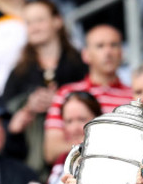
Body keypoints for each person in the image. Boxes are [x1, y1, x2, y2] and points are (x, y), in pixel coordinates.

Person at [2, 0, 87, 176]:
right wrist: (27, 109)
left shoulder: (79, 65)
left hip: (78, 160)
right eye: (29, 22)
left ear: (57, 21)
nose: (34, 27)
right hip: (32, 165)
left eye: (40, 20)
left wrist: (60, 101)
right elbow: (6, 124)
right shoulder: (19, 73)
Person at [43, 25, 132, 165]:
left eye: (113, 45)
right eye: (100, 46)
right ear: (86, 55)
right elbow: (51, 151)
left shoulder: (135, 96)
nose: (108, 52)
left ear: (122, 52)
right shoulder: (65, 93)